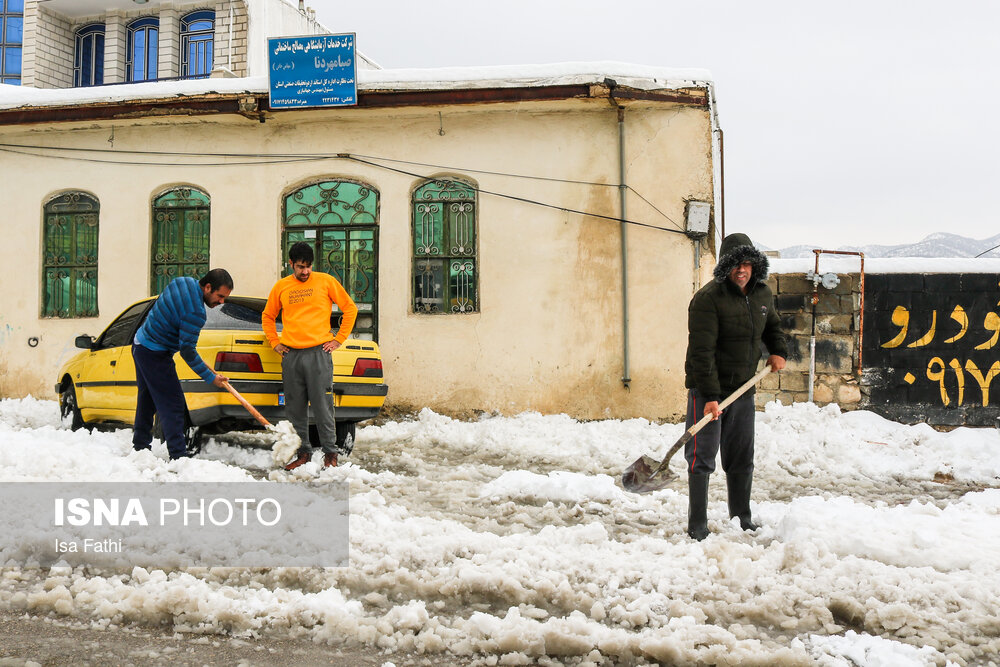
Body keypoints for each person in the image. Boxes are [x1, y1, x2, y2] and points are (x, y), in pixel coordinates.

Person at [684, 233, 787, 540]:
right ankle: (697, 525)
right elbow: (701, 353)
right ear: (726, 267)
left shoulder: (762, 295)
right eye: (735, 264)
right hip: (709, 392)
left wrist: (778, 350)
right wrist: (711, 397)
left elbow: (773, 327)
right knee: (702, 457)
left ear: (755, 265)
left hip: (744, 388)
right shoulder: (707, 300)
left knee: (741, 455)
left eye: (747, 263)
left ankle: (742, 517)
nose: (742, 270)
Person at [263, 242, 358, 470]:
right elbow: (268, 316)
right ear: (291, 265)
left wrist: (339, 338)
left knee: (323, 405)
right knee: (295, 408)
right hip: (291, 356)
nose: (305, 271)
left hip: (318, 354)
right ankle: (303, 452)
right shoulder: (281, 287)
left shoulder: (326, 281)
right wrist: (275, 343)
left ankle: (330, 454)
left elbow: (350, 308)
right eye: (300, 267)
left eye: (308, 267)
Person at [132, 269, 233, 460]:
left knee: (147, 400)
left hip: (140, 344)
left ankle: (140, 447)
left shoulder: (182, 281)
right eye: (220, 296)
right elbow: (187, 351)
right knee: (173, 404)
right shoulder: (196, 312)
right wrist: (212, 378)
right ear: (208, 287)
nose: (221, 302)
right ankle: (179, 456)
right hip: (155, 353)